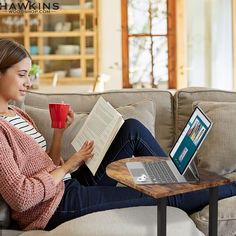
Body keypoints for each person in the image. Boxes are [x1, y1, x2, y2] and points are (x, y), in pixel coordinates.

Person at [0, 39, 235, 231]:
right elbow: (21, 197)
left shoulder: (18, 114)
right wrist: (68, 164)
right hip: (55, 206)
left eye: (28, 75)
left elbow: (47, 165)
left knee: (131, 129)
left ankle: (176, 180)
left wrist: (59, 132)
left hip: (69, 185)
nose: (28, 83)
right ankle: (219, 187)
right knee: (164, 197)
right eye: (22, 75)